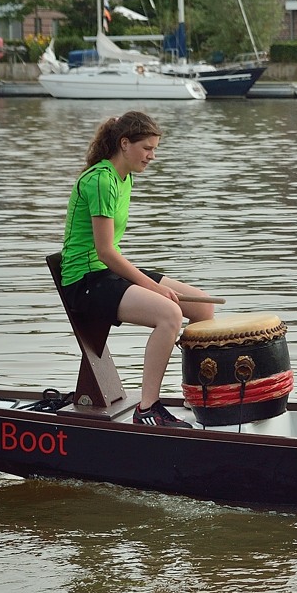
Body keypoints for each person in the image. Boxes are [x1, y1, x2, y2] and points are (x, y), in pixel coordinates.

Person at [60, 111, 216, 428]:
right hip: (84, 281)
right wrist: (155, 288)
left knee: (203, 306)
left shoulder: (124, 177)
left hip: (104, 272)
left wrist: (150, 286)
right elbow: (105, 251)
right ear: (124, 143)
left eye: (155, 148)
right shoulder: (101, 180)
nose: (152, 156)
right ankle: (147, 409)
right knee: (169, 315)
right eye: (147, 148)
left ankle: (196, 397)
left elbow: (108, 254)